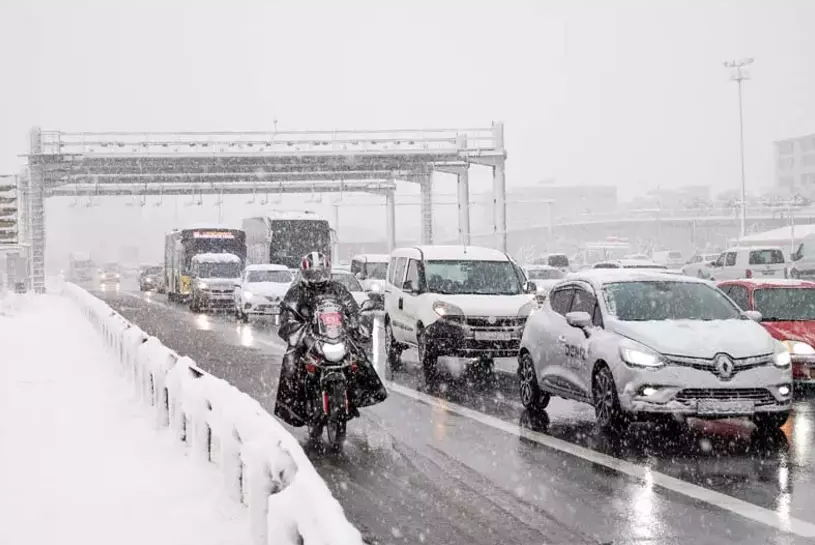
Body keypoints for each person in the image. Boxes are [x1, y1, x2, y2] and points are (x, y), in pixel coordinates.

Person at [273, 251, 387, 427]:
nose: (317, 277)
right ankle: (292, 407)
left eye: (320, 273)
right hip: (309, 340)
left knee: (359, 357)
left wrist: (355, 324)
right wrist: (300, 333)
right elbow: (287, 317)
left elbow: (352, 309)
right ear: (305, 274)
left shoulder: (337, 289)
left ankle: (361, 395)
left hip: (335, 336)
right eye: (313, 273)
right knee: (290, 360)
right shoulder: (296, 293)